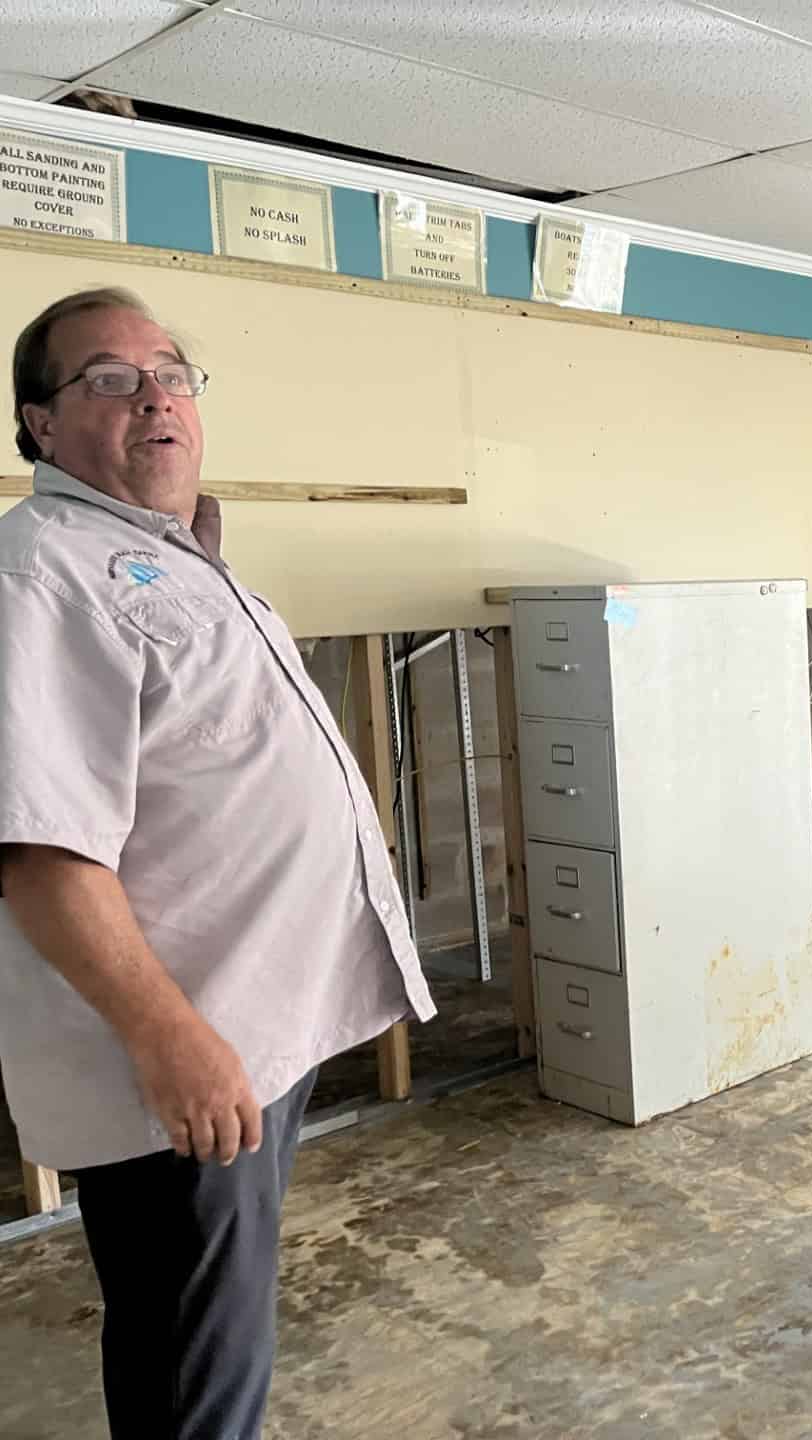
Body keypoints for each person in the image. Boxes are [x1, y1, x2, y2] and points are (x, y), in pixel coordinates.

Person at [0, 288, 435, 1437]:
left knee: (208, 1333)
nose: (154, 396)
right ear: (39, 424)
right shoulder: (41, 572)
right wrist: (171, 1038)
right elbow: (42, 850)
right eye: (106, 377)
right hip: (180, 1055)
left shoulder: (183, 559)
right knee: (198, 1365)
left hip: (247, 1032)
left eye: (172, 373)